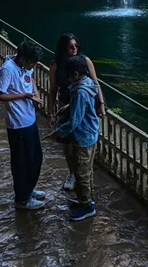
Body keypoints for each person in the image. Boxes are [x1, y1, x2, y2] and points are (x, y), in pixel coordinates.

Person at [48, 33, 107, 192]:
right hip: (66, 103)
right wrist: (51, 112)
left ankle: (83, 178)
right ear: (63, 48)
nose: (74, 49)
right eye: (70, 46)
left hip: (84, 104)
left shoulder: (84, 61)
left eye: (76, 46)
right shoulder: (56, 65)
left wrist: (101, 103)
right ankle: (73, 174)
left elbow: (95, 83)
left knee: (82, 141)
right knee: (68, 144)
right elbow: (52, 90)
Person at [0, 42, 46, 210]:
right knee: (22, 162)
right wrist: (23, 95)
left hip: (29, 119)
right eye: (32, 63)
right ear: (22, 58)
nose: (33, 66)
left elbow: (31, 78)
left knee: (35, 158)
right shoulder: (8, 70)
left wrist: (35, 95)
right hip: (17, 123)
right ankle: (22, 199)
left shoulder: (26, 66)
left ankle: (29, 189)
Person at [48, 54, 99, 221]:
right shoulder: (89, 84)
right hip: (91, 135)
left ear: (76, 74)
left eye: (69, 76)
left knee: (81, 172)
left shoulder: (80, 92)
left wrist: (58, 132)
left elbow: (75, 121)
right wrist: (69, 107)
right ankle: (86, 198)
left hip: (83, 137)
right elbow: (82, 106)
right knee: (87, 170)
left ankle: (86, 206)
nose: (68, 79)